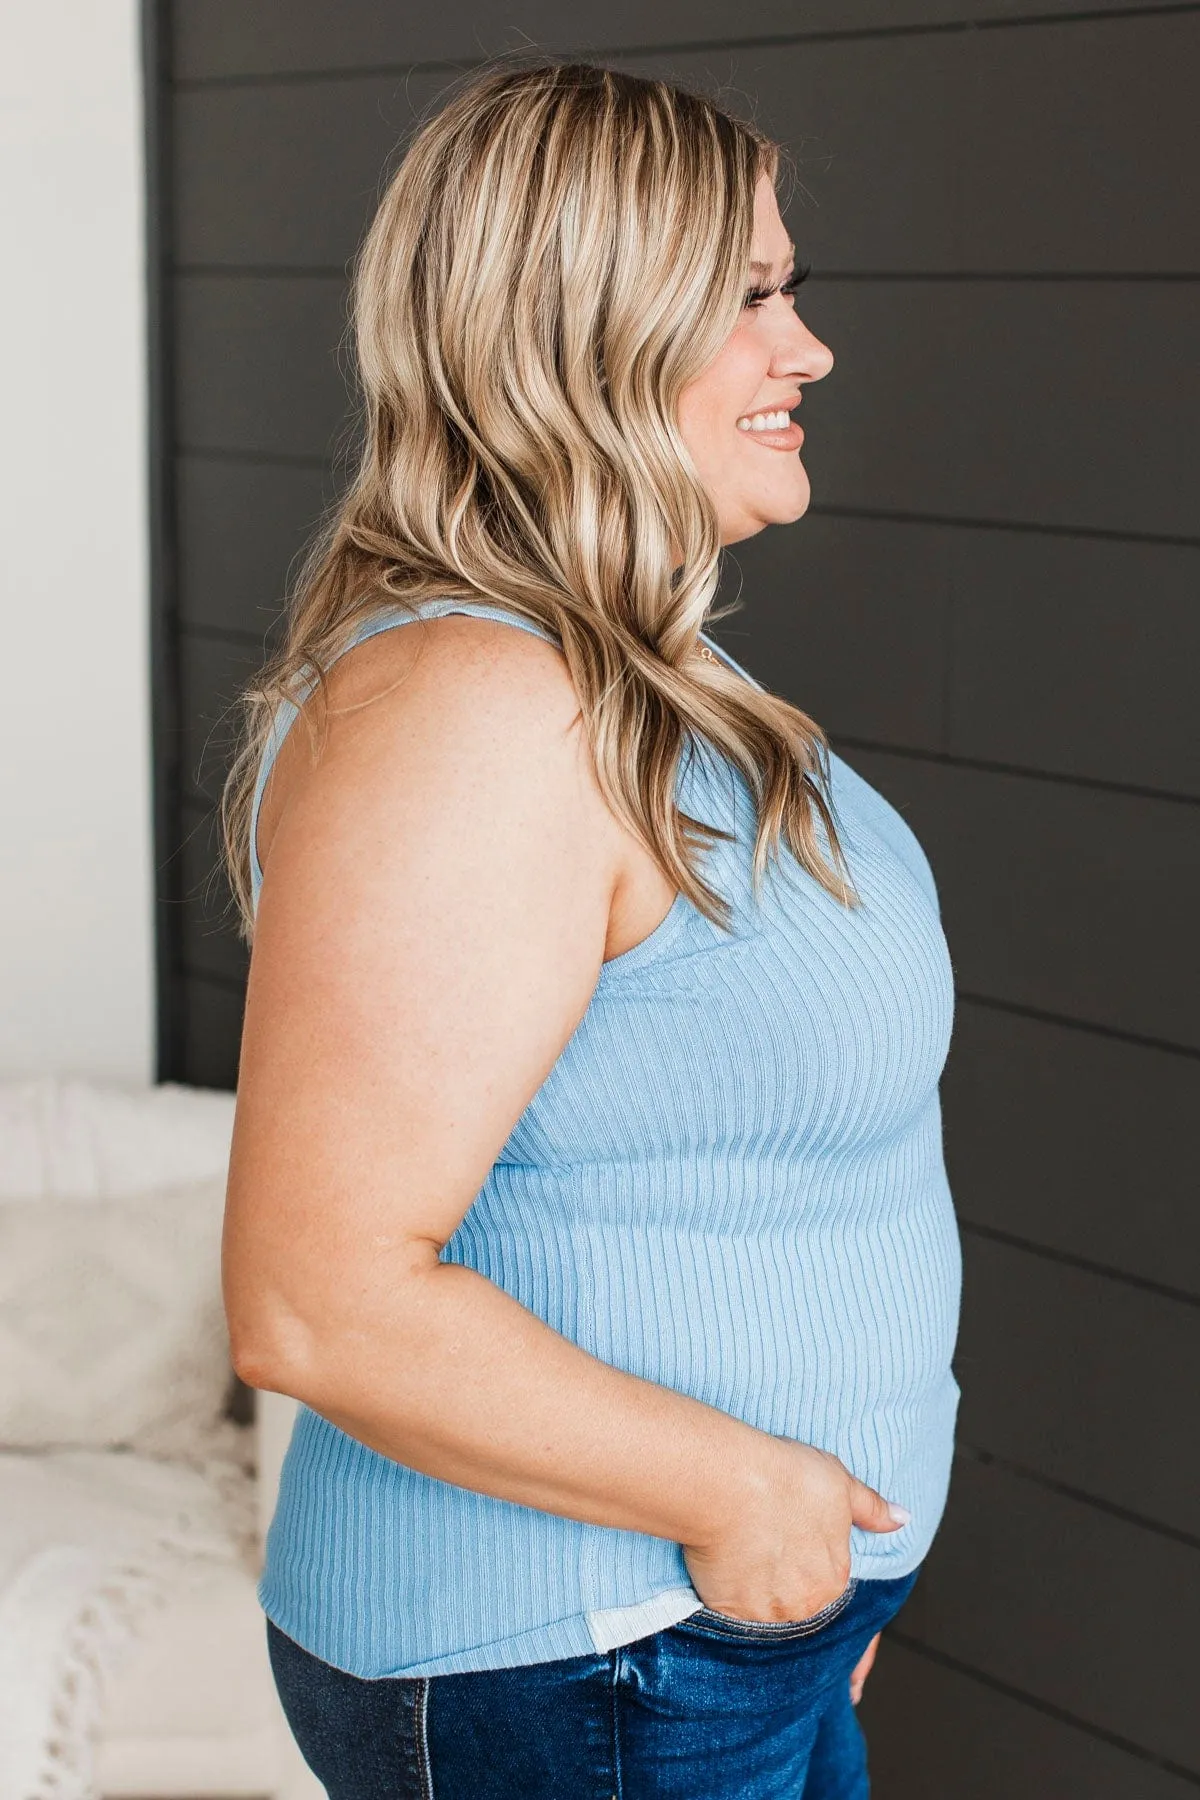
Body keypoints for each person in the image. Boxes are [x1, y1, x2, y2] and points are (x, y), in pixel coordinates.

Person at [220, 59, 961, 1799]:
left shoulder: (625, 679)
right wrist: (747, 1500)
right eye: (757, 296)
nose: (810, 349)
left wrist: (819, 1555)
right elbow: (315, 1303)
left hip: (710, 1641)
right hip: (592, 1658)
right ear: (585, 328)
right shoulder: (478, 706)